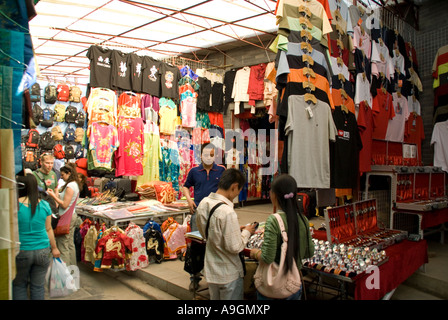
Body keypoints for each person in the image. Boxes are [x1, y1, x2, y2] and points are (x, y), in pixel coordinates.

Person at [250, 174, 315, 300]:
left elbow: (267, 257)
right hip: (293, 285)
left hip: (273, 285)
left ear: (273, 194)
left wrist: (255, 253)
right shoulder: (303, 220)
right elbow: (309, 252)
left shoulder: (274, 220)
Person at [196, 168, 257, 300]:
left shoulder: (203, 203)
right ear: (234, 187)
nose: (237, 194)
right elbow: (235, 247)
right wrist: (246, 232)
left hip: (212, 270)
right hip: (228, 274)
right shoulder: (227, 212)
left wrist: (234, 229)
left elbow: (206, 232)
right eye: (239, 191)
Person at [182, 143, 226, 290]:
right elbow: (185, 186)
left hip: (217, 213)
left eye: (212, 154)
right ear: (201, 155)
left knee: (216, 243)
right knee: (196, 244)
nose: (209, 157)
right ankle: (194, 276)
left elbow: (226, 189)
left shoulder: (221, 170)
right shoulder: (194, 171)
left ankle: (215, 276)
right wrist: (189, 200)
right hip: (198, 212)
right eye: (206, 154)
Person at [13, 174, 60, 300]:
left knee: (19, 285)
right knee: (38, 286)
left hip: (21, 251)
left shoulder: (15, 206)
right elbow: (49, 229)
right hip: (43, 250)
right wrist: (54, 248)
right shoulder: (44, 205)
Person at [46, 165, 80, 266]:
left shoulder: (70, 186)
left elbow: (65, 205)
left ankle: (66, 271)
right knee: (69, 244)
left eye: (62, 175)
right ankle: (72, 269)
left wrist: (53, 196)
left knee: (63, 245)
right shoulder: (75, 185)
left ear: (69, 173)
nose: (61, 177)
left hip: (66, 217)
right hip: (71, 216)